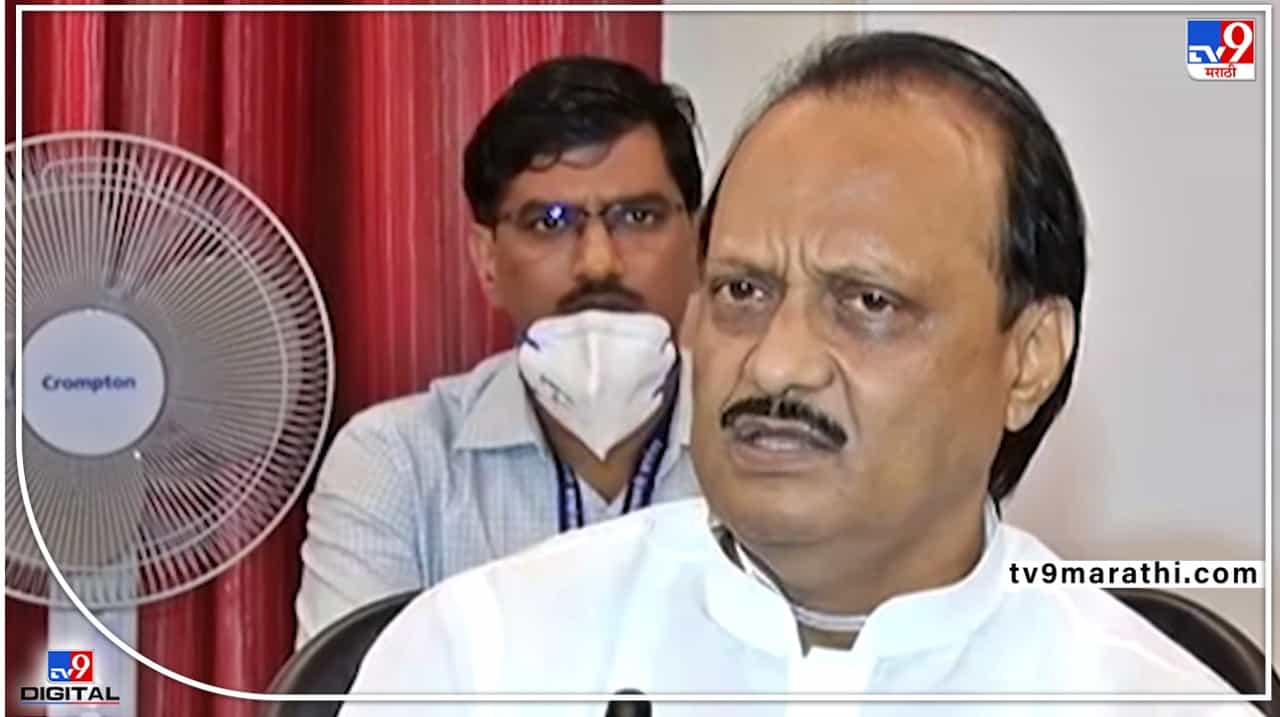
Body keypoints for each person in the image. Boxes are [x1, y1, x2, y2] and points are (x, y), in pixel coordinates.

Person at [334, 32, 1255, 715]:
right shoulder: (477, 660)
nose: (774, 360)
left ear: (1030, 357)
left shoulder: (1154, 700)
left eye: (868, 302)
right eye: (743, 289)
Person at [293, 55, 705, 646]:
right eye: (550, 222)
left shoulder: (771, 451)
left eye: (637, 217)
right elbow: (354, 691)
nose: (598, 262)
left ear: (697, 244)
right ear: (487, 261)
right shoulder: (399, 463)